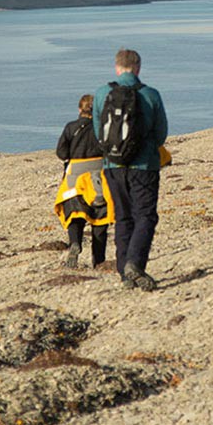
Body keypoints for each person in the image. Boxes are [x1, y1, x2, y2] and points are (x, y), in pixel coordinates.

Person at [94, 48, 168, 291]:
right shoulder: (151, 95)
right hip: (144, 165)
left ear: (117, 68)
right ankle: (134, 264)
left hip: (112, 166)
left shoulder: (102, 94)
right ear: (138, 68)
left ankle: (125, 273)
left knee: (123, 217)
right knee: (145, 215)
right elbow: (160, 134)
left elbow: (98, 133)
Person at [54, 94, 110, 269]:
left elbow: (61, 153)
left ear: (80, 109)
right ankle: (99, 261)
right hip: (98, 178)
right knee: (100, 218)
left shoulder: (71, 127)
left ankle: (75, 243)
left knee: (75, 214)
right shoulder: (103, 129)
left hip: (74, 179)